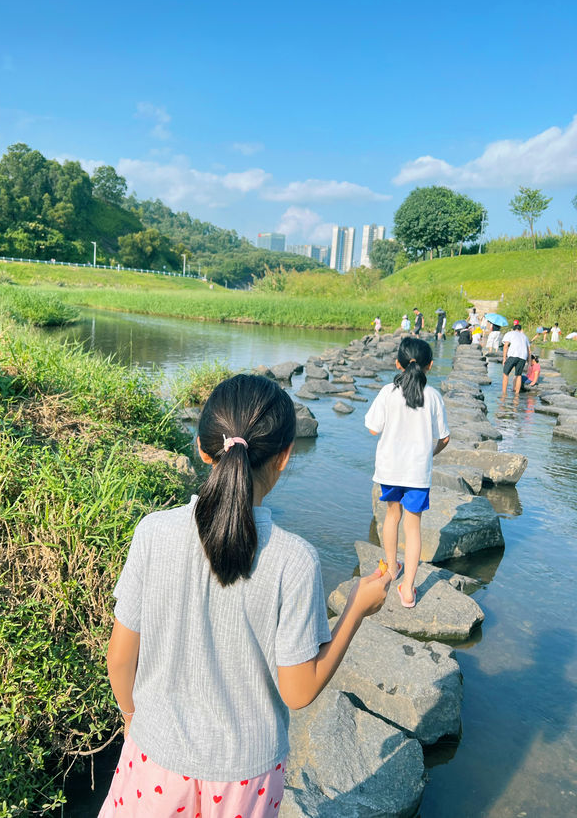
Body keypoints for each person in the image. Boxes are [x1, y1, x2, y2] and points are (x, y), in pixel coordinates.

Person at [98, 374, 390, 817]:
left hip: (152, 758)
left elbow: (120, 658)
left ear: (201, 447)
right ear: (285, 457)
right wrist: (356, 609)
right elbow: (298, 692)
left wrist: (131, 717)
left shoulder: (153, 532)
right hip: (243, 779)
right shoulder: (295, 561)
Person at [364, 337, 450, 609]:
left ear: (397, 363)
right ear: (431, 366)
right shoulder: (433, 396)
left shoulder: (388, 392)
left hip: (390, 470)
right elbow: (445, 438)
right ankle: (409, 590)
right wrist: (428, 454)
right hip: (417, 473)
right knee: (413, 527)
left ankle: (391, 570)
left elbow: (373, 429)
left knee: (392, 516)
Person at [501, 320, 531, 395]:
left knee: (505, 374)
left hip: (513, 355)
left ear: (513, 329)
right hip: (523, 357)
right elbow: (529, 351)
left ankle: (504, 393)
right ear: (520, 330)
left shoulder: (510, 333)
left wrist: (504, 358)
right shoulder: (524, 336)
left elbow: (505, 346)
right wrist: (529, 363)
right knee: (518, 375)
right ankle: (517, 394)